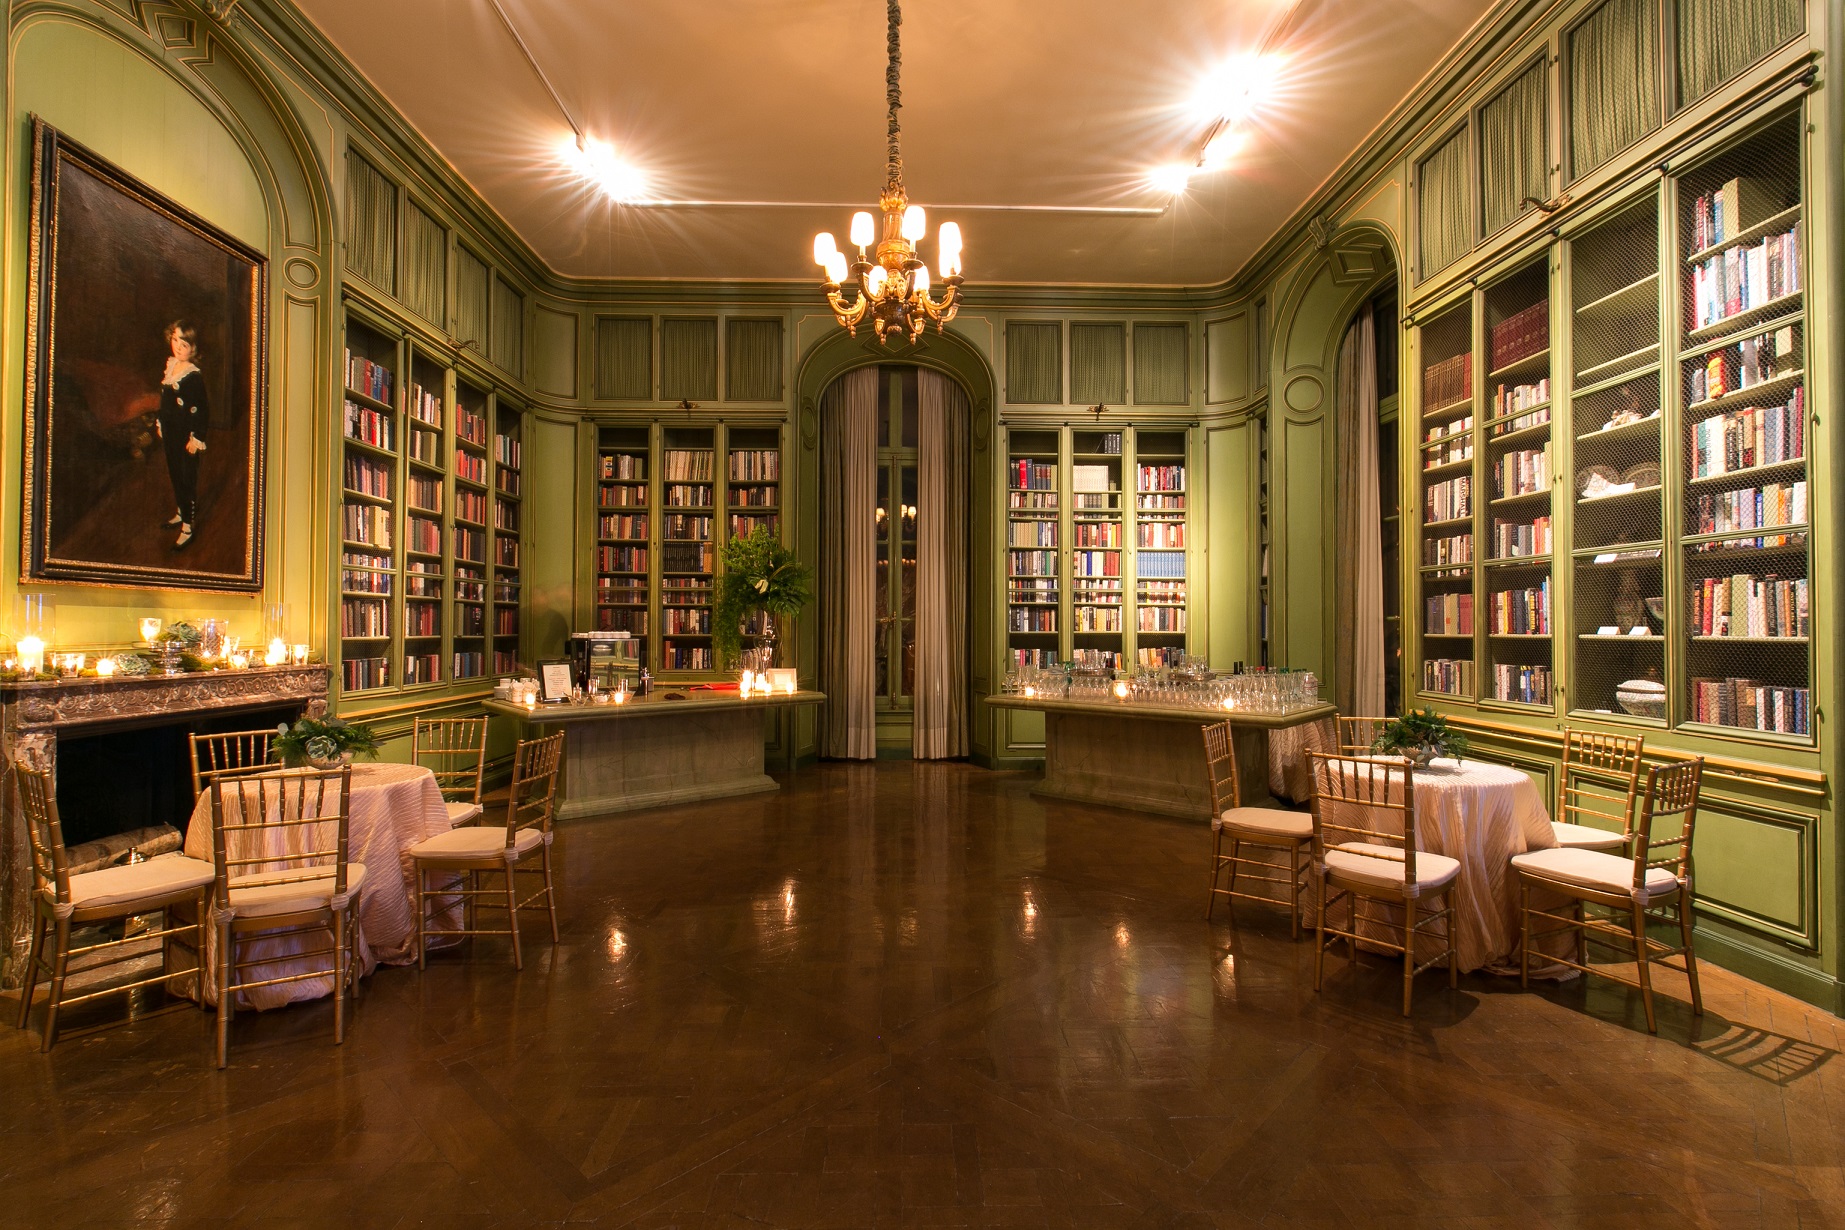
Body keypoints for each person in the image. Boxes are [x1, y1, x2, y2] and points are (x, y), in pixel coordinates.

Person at [155, 320, 208, 549]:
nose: (178, 346)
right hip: (170, 431)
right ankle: (181, 510)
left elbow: (202, 410)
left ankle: (188, 525)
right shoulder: (172, 365)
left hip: (186, 436)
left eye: (184, 344)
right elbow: (165, 400)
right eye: (175, 340)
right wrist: (160, 421)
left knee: (187, 477)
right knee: (174, 472)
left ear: (193, 349)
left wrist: (196, 438)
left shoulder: (193, 376)